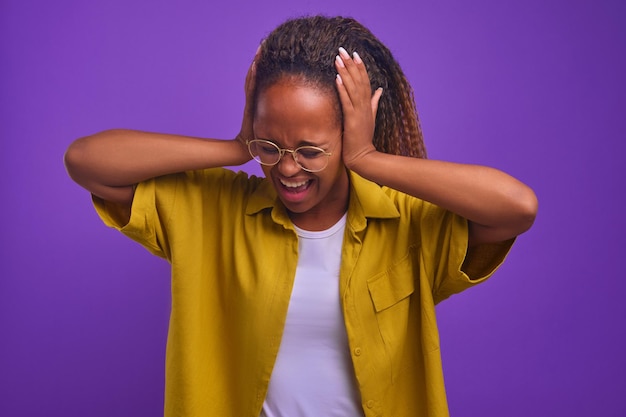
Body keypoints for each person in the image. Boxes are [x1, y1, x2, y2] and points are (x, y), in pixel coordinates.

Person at [64, 15, 537, 417]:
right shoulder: (213, 211)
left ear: (349, 134)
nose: (286, 168)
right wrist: (234, 147)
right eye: (270, 145)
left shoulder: (407, 224)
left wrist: (369, 158)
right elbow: (87, 161)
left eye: (311, 150)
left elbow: (517, 208)